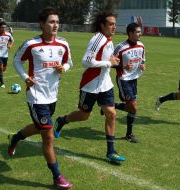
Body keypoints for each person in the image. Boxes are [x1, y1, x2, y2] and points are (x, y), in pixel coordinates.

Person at [9, 7, 73, 189]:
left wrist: (64, 68)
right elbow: (16, 60)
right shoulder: (31, 44)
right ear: (42, 24)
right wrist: (26, 78)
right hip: (36, 96)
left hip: (52, 96)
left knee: (40, 128)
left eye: (57, 22)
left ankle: (16, 138)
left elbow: (69, 62)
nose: (55, 25)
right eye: (51, 22)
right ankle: (57, 177)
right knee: (48, 135)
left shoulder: (63, 44)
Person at [53, 11, 125, 163]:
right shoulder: (97, 39)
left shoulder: (109, 39)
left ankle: (111, 152)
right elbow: (86, 61)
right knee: (84, 115)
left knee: (111, 114)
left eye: (115, 24)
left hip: (105, 84)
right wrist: (108, 63)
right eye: (111, 24)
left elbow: (106, 60)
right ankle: (62, 120)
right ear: (102, 25)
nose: (114, 27)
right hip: (90, 85)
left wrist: (113, 61)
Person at [112, 22, 146, 143]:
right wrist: (123, 66)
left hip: (134, 79)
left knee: (130, 107)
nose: (140, 33)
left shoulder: (141, 45)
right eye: (137, 32)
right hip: (123, 79)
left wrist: (142, 65)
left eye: (140, 31)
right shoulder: (121, 47)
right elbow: (111, 63)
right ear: (130, 33)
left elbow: (143, 59)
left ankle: (112, 105)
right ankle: (129, 134)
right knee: (133, 107)